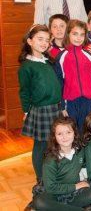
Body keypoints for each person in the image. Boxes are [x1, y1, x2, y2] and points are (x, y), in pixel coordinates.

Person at [18, 24, 62, 182]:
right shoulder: (27, 66)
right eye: (39, 39)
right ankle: (41, 178)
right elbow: (24, 91)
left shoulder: (47, 61)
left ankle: (52, 172)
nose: (44, 43)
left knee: (54, 144)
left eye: (46, 40)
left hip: (55, 108)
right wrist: (26, 111)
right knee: (41, 145)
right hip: (41, 110)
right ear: (29, 41)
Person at [32, 116, 91, 211]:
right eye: (60, 134)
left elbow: (85, 164)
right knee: (39, 202)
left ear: (74, 133)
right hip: (54, 193)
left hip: (72, 192)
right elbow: (51, 188)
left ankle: (58, 207)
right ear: (54, 137)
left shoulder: (80, 151)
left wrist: (83, 179)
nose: (65, 137)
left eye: (68, 132)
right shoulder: (50, 160)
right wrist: (76, 186)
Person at [55, 20, 91, 132]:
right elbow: (58, 83)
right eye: (75, 34)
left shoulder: (89, 57)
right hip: (70, 102)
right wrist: (62, 106)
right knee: (72, 132)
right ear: (68, 34)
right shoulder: (62, 56)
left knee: (87, 132)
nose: (78, 38)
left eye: (82, 34)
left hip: (88, 102)